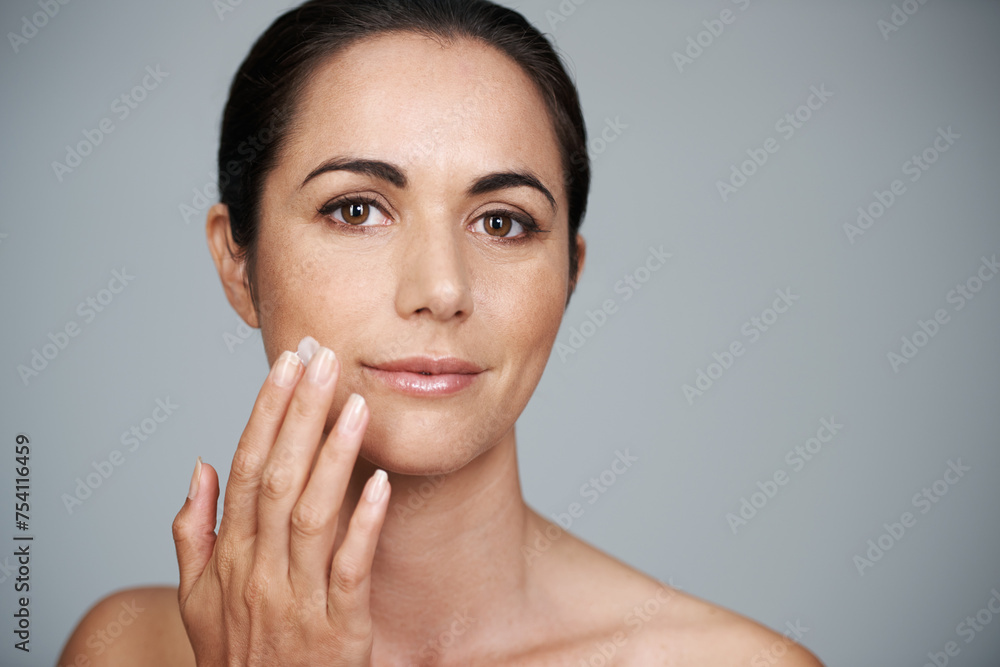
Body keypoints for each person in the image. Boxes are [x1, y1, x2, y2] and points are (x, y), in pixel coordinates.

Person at [58, 1, 824, 664]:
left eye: (502, 221)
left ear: (569, 273)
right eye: (355, 209)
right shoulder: (125, 647)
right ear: (237, 261)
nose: (443, 289)